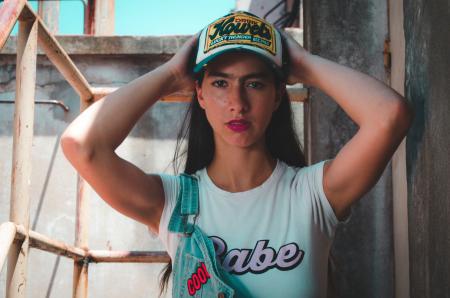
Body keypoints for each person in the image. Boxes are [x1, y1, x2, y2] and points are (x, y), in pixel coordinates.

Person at [61, 11, 413, 298]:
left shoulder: (312, 194)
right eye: (220, 83)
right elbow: (81, 145)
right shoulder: (173, 202)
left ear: (278, 95)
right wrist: (170, 74)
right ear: (199, 94)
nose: (237, 103)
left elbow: (389, 116)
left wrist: (302, 64)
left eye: (255, 84)